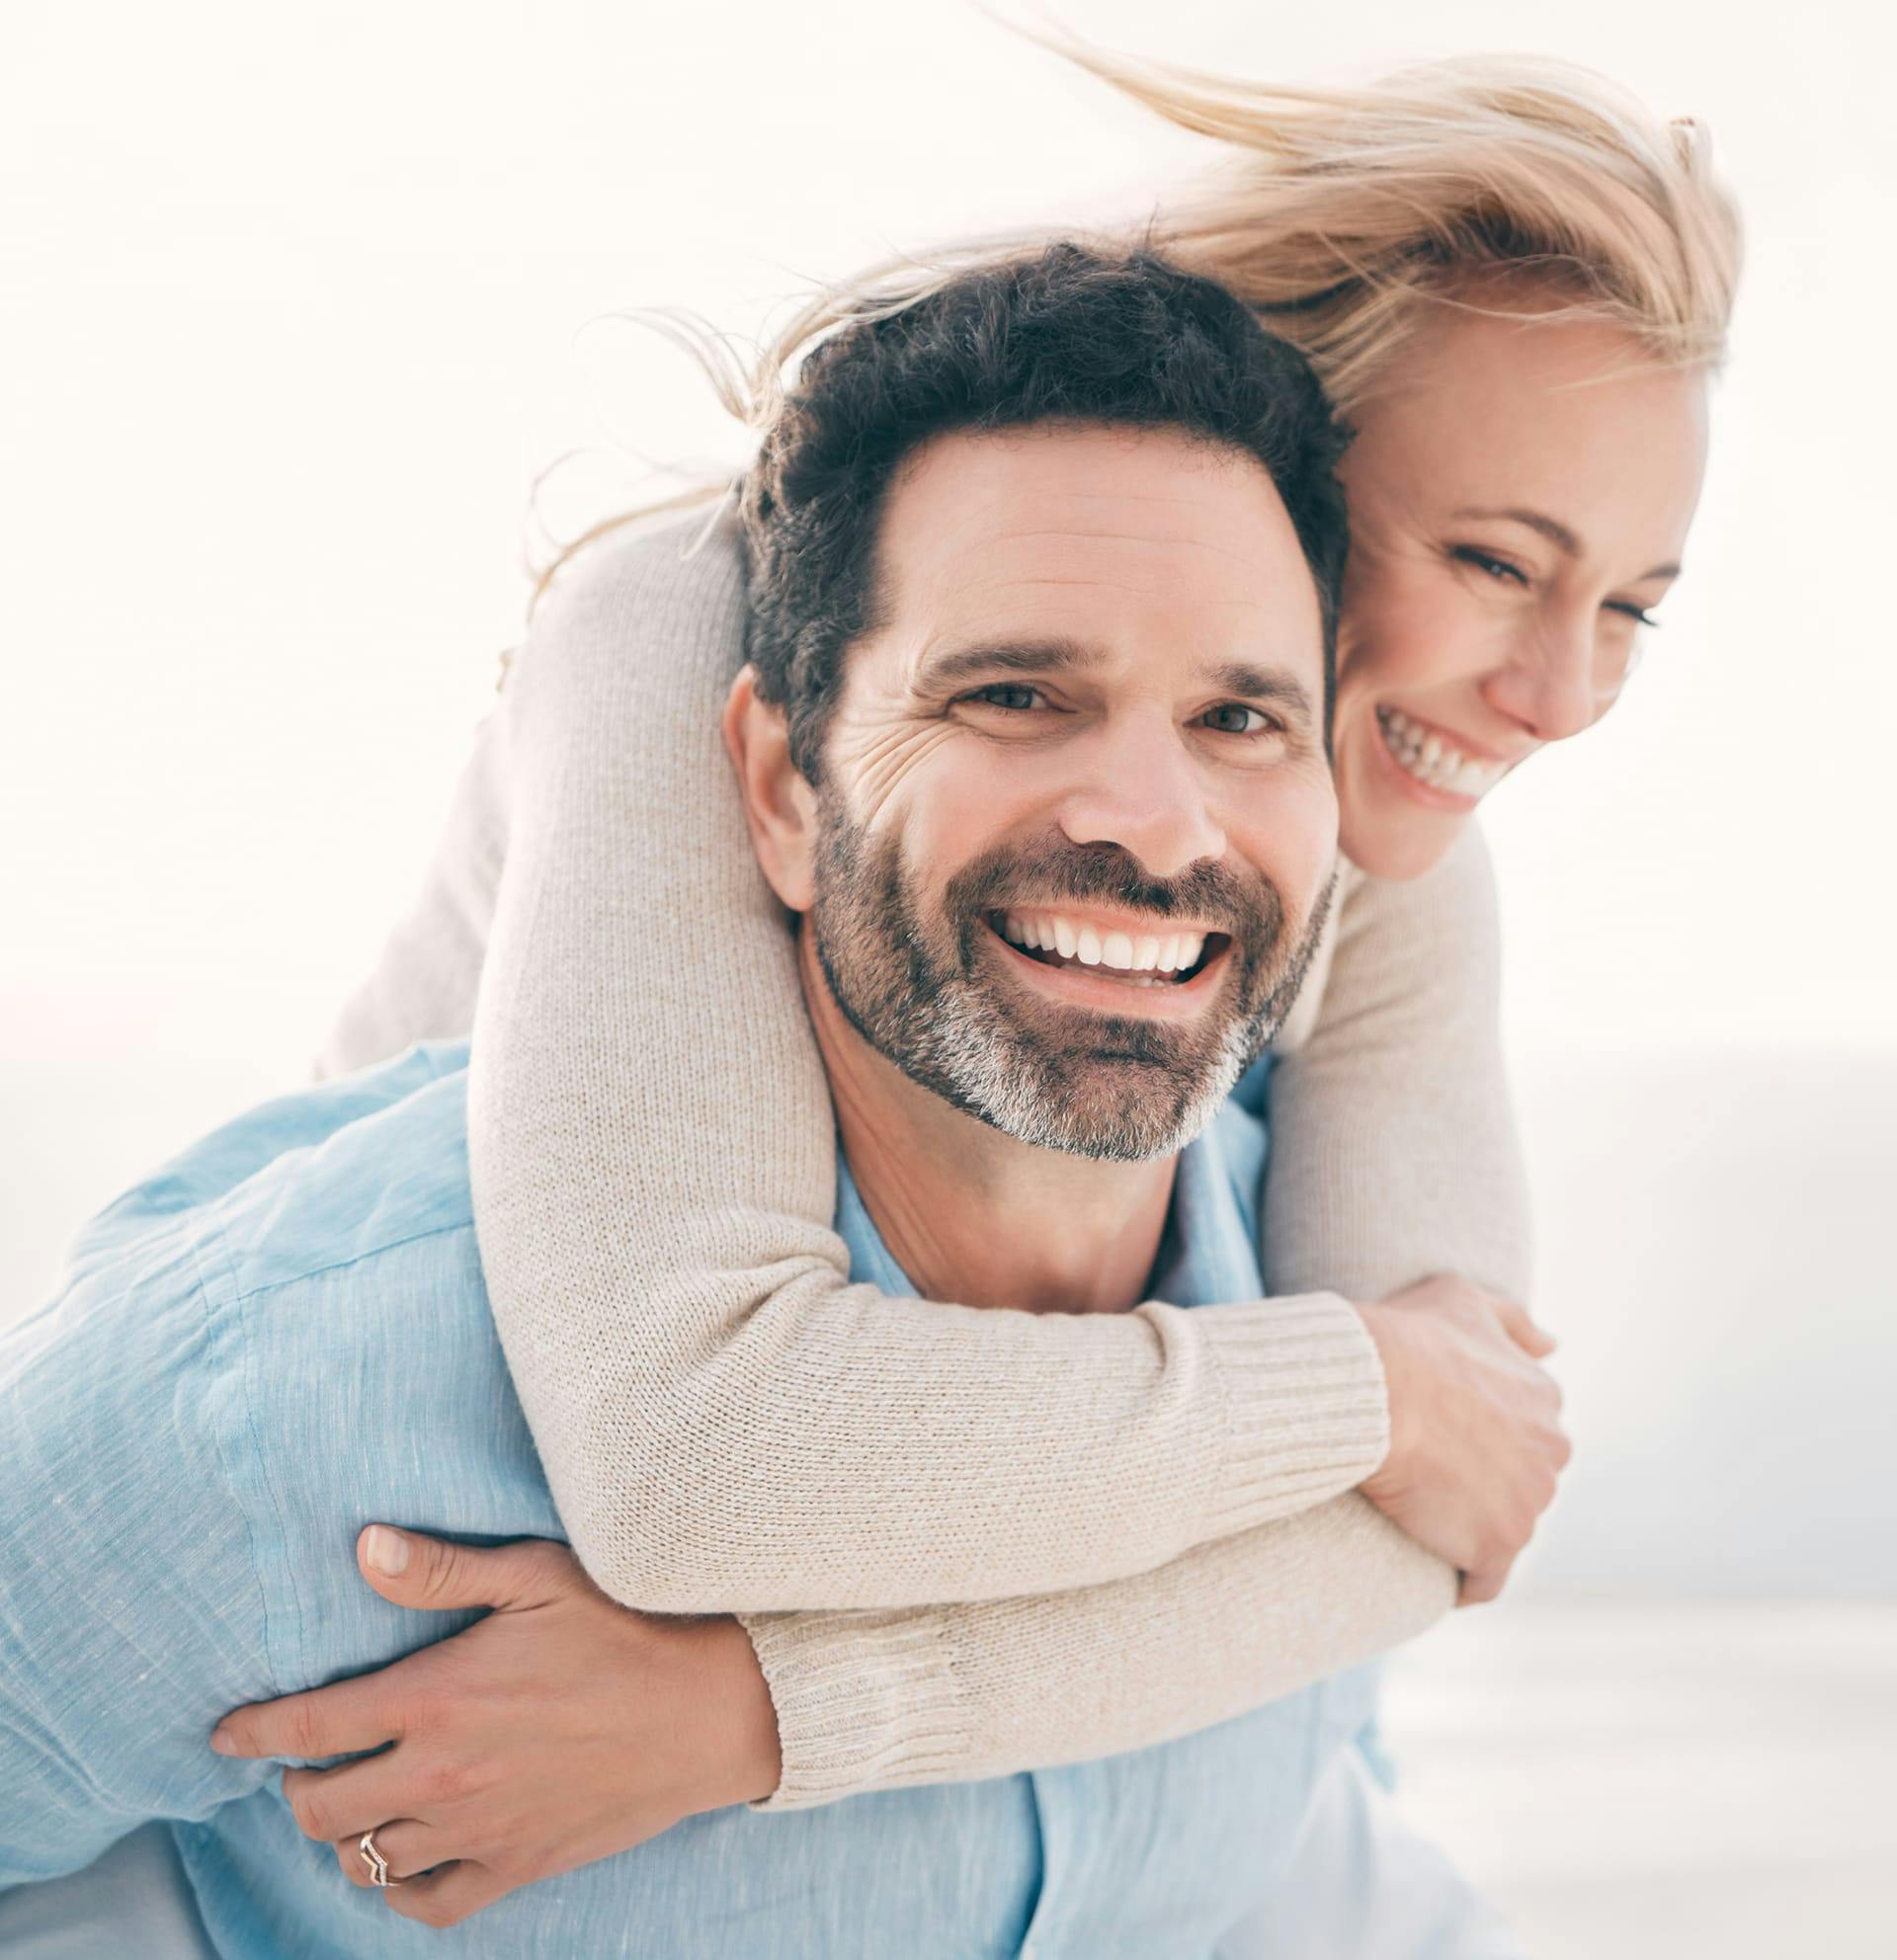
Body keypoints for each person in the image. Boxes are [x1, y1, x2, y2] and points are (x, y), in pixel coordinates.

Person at [264, 35, 1734, 1938]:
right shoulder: (684, 646)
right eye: (1490, 562)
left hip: (1230, 1829)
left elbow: (1446, 1511)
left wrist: (764, 1711)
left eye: (1628, 607)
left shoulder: (1378, 812)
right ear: (1273, 440)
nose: (1561, 698)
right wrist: (1362, 1385)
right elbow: (700, 1456)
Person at [3, 246, 1537, 1957]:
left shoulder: (1338, 1332)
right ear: (776, 785)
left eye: (1240, 718)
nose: (1155, 818)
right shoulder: (304, 1386)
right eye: (1015, 696)